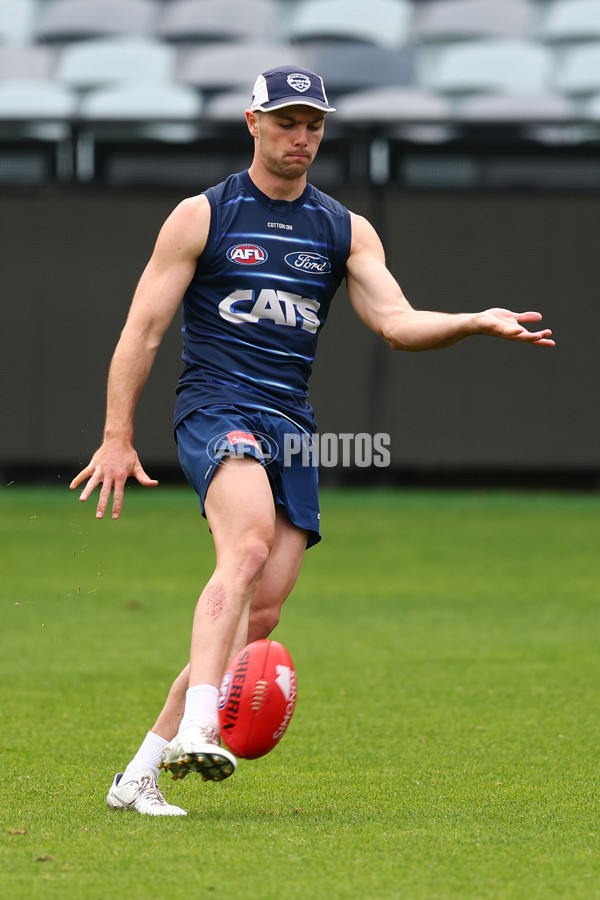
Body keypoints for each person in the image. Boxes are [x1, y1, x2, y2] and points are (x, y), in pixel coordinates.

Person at [70, 65, 554, 817]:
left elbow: (396, 324)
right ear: (252, 122)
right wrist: (115, 434)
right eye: (287, 121)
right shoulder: (202, 215)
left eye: (314, 125)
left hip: (291, 425)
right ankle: (204, 724)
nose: (302, 137)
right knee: (250, 543)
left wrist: (469, 322)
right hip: (217, 405)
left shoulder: (343, 227)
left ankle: (140, 771)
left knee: (260, 614)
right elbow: (144, 330)